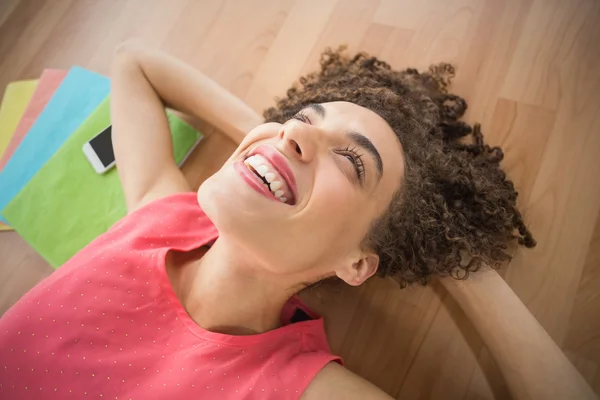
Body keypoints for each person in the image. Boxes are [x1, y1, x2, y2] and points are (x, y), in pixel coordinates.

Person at [0, 41, 595, 400]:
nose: (299, 131)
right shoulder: (157, 216)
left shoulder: (302, 388)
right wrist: (276, 143)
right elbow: (134, 61)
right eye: (303, 117)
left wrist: (458, 262)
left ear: (357, 262)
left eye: (353, 161)